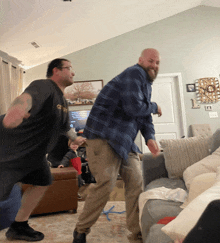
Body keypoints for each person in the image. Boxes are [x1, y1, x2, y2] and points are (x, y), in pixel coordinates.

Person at [72, 48, 162, 243]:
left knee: (136, 182)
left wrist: (150, 138)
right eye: (151, 61)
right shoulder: (134, 73)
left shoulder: (146, 84)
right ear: (140, 60)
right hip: (103, 137)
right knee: (106, 183)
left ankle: (136, 234)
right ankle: (81, 230)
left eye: (157, 62)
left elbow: (143, 115)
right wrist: (155, 106)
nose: (154, 65)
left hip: (125, 142)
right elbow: (134, 108)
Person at [0, 58, 86, 241]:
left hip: (34, 155)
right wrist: (17, 109)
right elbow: (27, 98)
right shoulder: (44, 86)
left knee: (44, 179)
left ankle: (19, 226)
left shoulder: (62, 100)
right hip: (10, 151)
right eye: (69, 68)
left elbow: (64, 126)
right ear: (56, 71)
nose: (73, 72)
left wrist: (75, 138)